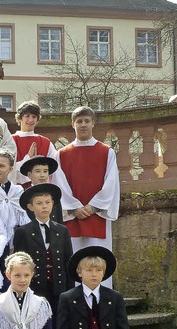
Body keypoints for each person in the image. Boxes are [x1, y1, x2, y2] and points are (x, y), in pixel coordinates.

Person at [14, 184, 74, 329]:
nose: (44, 206)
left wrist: (69, 294)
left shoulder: (62, 230)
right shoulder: (23, 232)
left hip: (58, 293)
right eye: (39, 203)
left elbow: (69, 264)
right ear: (31, 207)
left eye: (47, 202)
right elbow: (19, 263)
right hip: (35, 294)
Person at [58, 106, 120, 287]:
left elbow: (111, 184)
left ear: (93, 123)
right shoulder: (62, 154)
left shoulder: (106, 151)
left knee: (98, 262)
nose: (83, 124)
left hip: (97, 216)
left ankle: (101, 306)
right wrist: (74, 207)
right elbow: (59, 184)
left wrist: (93, 207)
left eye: (86, 121)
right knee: (74, 262)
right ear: (73, 124)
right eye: (79, 121)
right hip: (72, 216)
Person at [11, 101, 58, 186]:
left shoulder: (46, 142)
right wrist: (27, 158)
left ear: (37, 120)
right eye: (27, 116)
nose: (30, 120)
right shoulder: (11, 140)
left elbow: (53, 170)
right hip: (15, 190)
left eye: (34, 116)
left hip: (40, 190)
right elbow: (8, 168)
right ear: (19, 118)